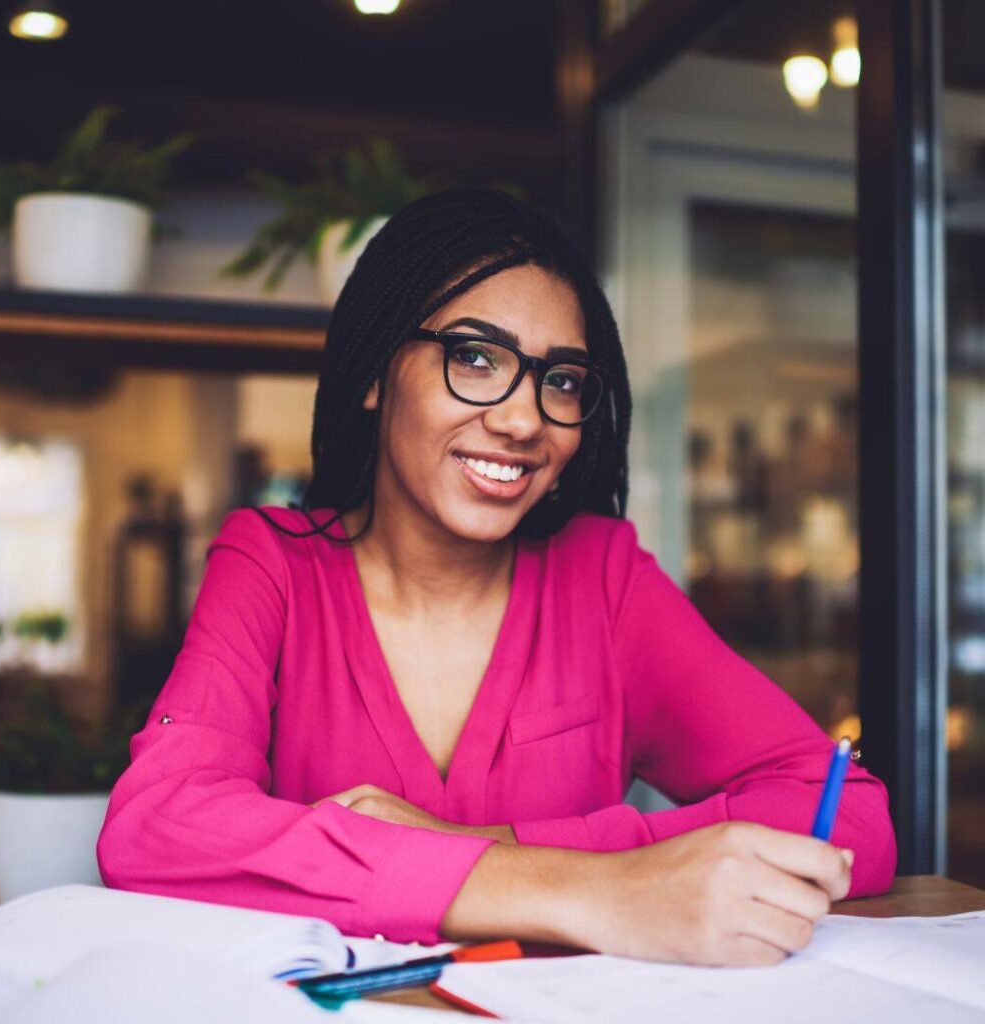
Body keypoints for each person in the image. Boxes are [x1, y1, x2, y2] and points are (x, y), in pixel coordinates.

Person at [97, 188, 896, 967]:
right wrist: (597, 890)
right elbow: (157, 825)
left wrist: (484, 849)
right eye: (474, 358)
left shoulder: (603, 578)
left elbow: (852, 819)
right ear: (376, 372)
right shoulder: (273, 563)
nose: (523, 420)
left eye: (562, 381)